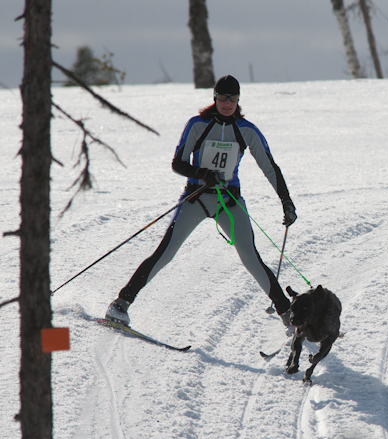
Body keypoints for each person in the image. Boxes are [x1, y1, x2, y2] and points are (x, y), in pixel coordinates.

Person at [105, 75, 296, 330]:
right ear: (214, 97)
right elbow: (178, 163)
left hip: (229, 201)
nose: (227, 103)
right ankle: (120, 304)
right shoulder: (198, 124)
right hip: (196, 198)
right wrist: (202, 174)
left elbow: (270, 167)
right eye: (223, 97)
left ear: (238, 99)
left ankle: (289, 318)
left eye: (233, 98)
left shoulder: (247, 130)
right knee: (165, 253)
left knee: (251, 258)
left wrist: (286, 202)